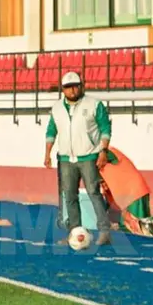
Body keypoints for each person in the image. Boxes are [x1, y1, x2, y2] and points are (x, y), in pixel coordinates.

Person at [42, 71, 112, 246]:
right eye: (68, 87)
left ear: (81, 85)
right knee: (69, 196)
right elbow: (51, 131)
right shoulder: (57, 108)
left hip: (89, 155)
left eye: (75, 86)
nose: (72, 90)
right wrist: (47, 153)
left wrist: (103, 150)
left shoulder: (94, 104)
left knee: (94, 192)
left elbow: (105, 128)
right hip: (66, 158)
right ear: (62, 89)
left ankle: (104, 231)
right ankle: (74, 232)